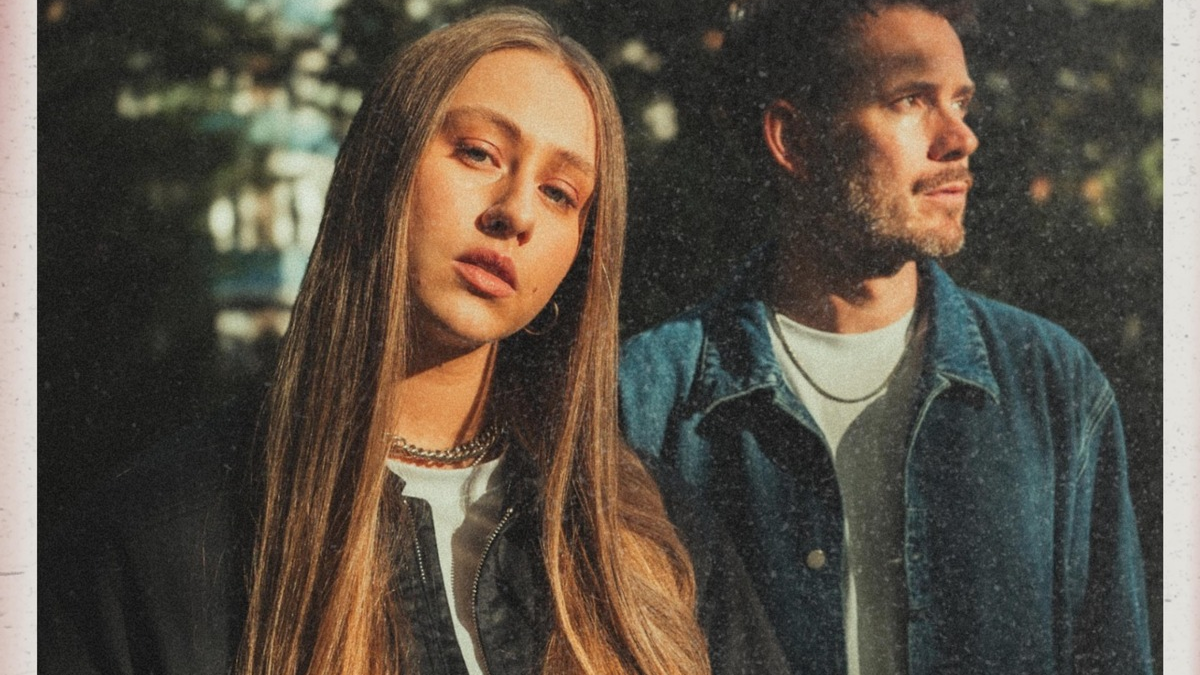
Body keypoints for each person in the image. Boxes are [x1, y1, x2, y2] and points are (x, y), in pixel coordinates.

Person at [44, 8, 787, 675]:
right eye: (478, 153)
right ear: (382, 168)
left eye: (561, 193)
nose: (515, 212)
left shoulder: (656, 536)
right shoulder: (163, 539)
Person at [619, 1, 1153, 673]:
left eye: (961, 102)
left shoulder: (1050, 381)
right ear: (795, 141)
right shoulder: (647, 398)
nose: (960, 138)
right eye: (910, 100)